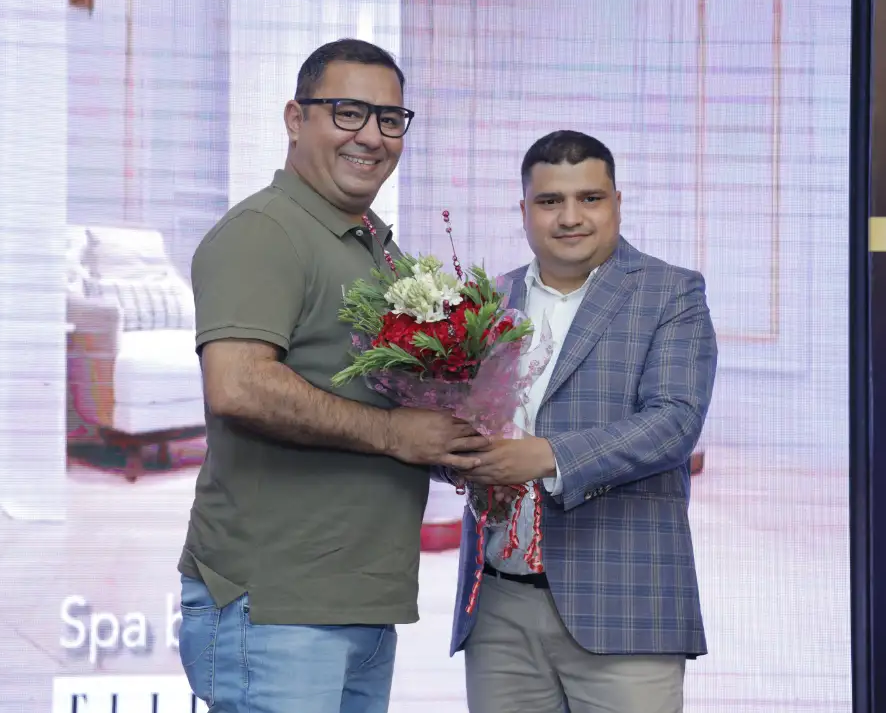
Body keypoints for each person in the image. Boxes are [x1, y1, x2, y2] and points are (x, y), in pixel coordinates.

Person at [177, 38, 488, 713]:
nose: (371, 136)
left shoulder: (376, 247)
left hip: (356, 601)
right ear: (296, 119)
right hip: (277, 606)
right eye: (348, 112)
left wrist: (450, 443)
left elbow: (365, 394)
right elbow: (238, 384)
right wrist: (396, 434)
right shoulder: (265, 231)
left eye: (389, 119)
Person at [452, 130, 718, 713]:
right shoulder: (487, 302)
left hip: (623, 608)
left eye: (589, 199)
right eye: (550, 201)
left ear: (616, 202)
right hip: (497, 605)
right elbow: (454, 424)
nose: (570, 217)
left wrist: (546, 456)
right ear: (524, 210)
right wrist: (455, 456)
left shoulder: (670, 293)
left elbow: (674, 423)